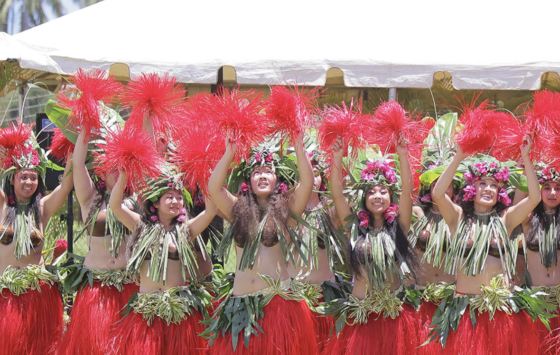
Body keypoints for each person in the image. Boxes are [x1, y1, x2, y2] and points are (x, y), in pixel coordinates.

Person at [204, 135, 318, 355]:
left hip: (278, 306)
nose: (263, 176)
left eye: (269, 172)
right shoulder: (236, 209)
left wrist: (298, 148)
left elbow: (307, 183)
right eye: (257, 172)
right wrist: (229, 153)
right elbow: (214, 188)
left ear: (277, 180)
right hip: (240, 307)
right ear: (249, 180)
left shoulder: (287, 209)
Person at [429, 135, 540, 354]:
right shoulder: (457, 217)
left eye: (494, 185)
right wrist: (459, 155)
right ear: (472, 189)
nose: (488, 189)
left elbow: (535, 198)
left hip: (498, 312)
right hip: (465, 309)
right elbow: (438, 193)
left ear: (500, 193)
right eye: (482, 184)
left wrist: (526, 157)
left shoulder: (506, 219)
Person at [325, 136, 421, 355]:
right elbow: (337, 195)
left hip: (393, 317)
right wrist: (337, 158)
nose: (377, 196)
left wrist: (404, 156)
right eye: (371, 192)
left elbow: (407, 191)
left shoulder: (400, 227)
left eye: (383, 191)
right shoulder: (354, 228)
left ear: (391, 197)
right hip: (360, 315)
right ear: (363, 198)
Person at [106, 167, 217, 355]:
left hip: (178, 311)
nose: (176, 201)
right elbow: (115, 206)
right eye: (170, 196)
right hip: (147, 311)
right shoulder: (140, 226)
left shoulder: (186, 230)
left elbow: (211, 211)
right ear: (155, 203)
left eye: (179, 197)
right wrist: (124, 175)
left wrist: (202, 177)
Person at [58, 130, 139, 355]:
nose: (117, 171)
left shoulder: (135, 201)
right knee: (95, 346)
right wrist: (85, 127)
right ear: (101, 173)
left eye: (121, 166)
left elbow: (147, 153)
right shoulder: (90, 198)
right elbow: (78, 164)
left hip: (128, 286)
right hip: (96, 289)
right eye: (111, 167)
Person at [0, 122, 73, 355]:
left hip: (38, 294)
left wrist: (72, 150)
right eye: (23, 177)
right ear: (12, 179)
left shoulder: (41, 209)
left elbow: (66, 186)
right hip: (6, 294)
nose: (29, 182)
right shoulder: (2, 206)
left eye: (33, 177)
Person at [287, 150, 349, 351]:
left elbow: (340, 194)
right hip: (295, 298)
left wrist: (338, 158)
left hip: (325, 296)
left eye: (316, 173)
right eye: (307, 173)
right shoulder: (286, 211)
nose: (312, 178)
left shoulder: (330, 210)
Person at [517, 162, 560, 354]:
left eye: (558, 188)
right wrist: (524, 167)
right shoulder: (528, 218)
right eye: (547, 188)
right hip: (535, 302)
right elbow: (517, 203)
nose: (552, 193)